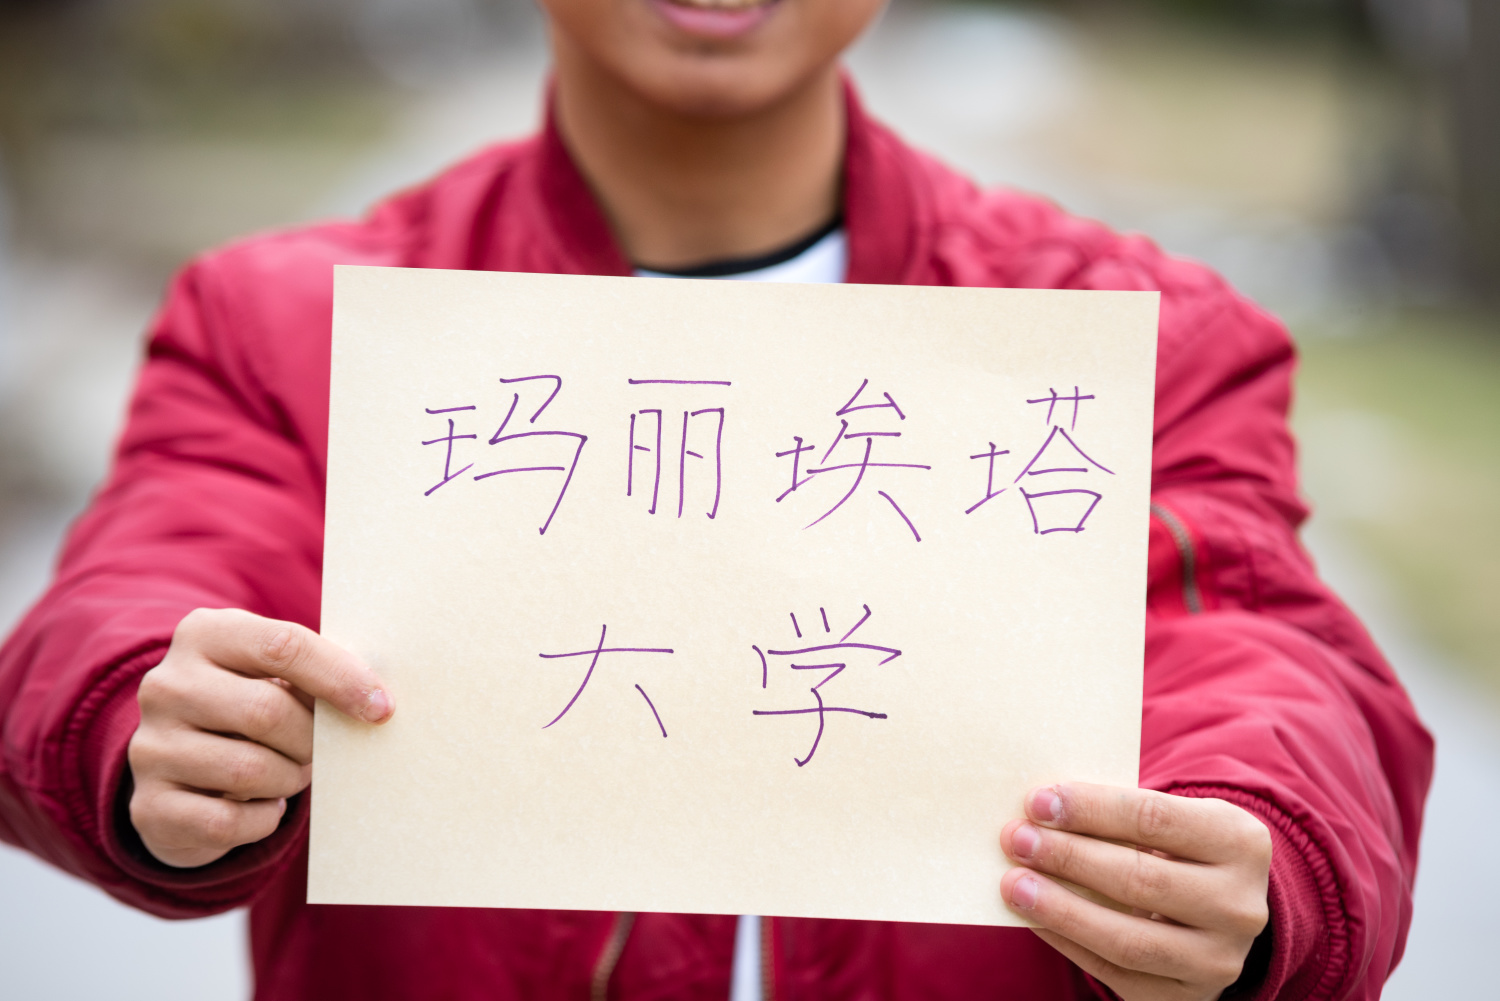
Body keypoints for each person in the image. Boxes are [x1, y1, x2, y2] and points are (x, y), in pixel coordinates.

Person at [0, 0, 1431, 998]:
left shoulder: (1135, 337)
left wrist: (1263, 849)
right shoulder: (285, 324)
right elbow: (132, 594)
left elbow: (1261, 657)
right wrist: (146, 720)